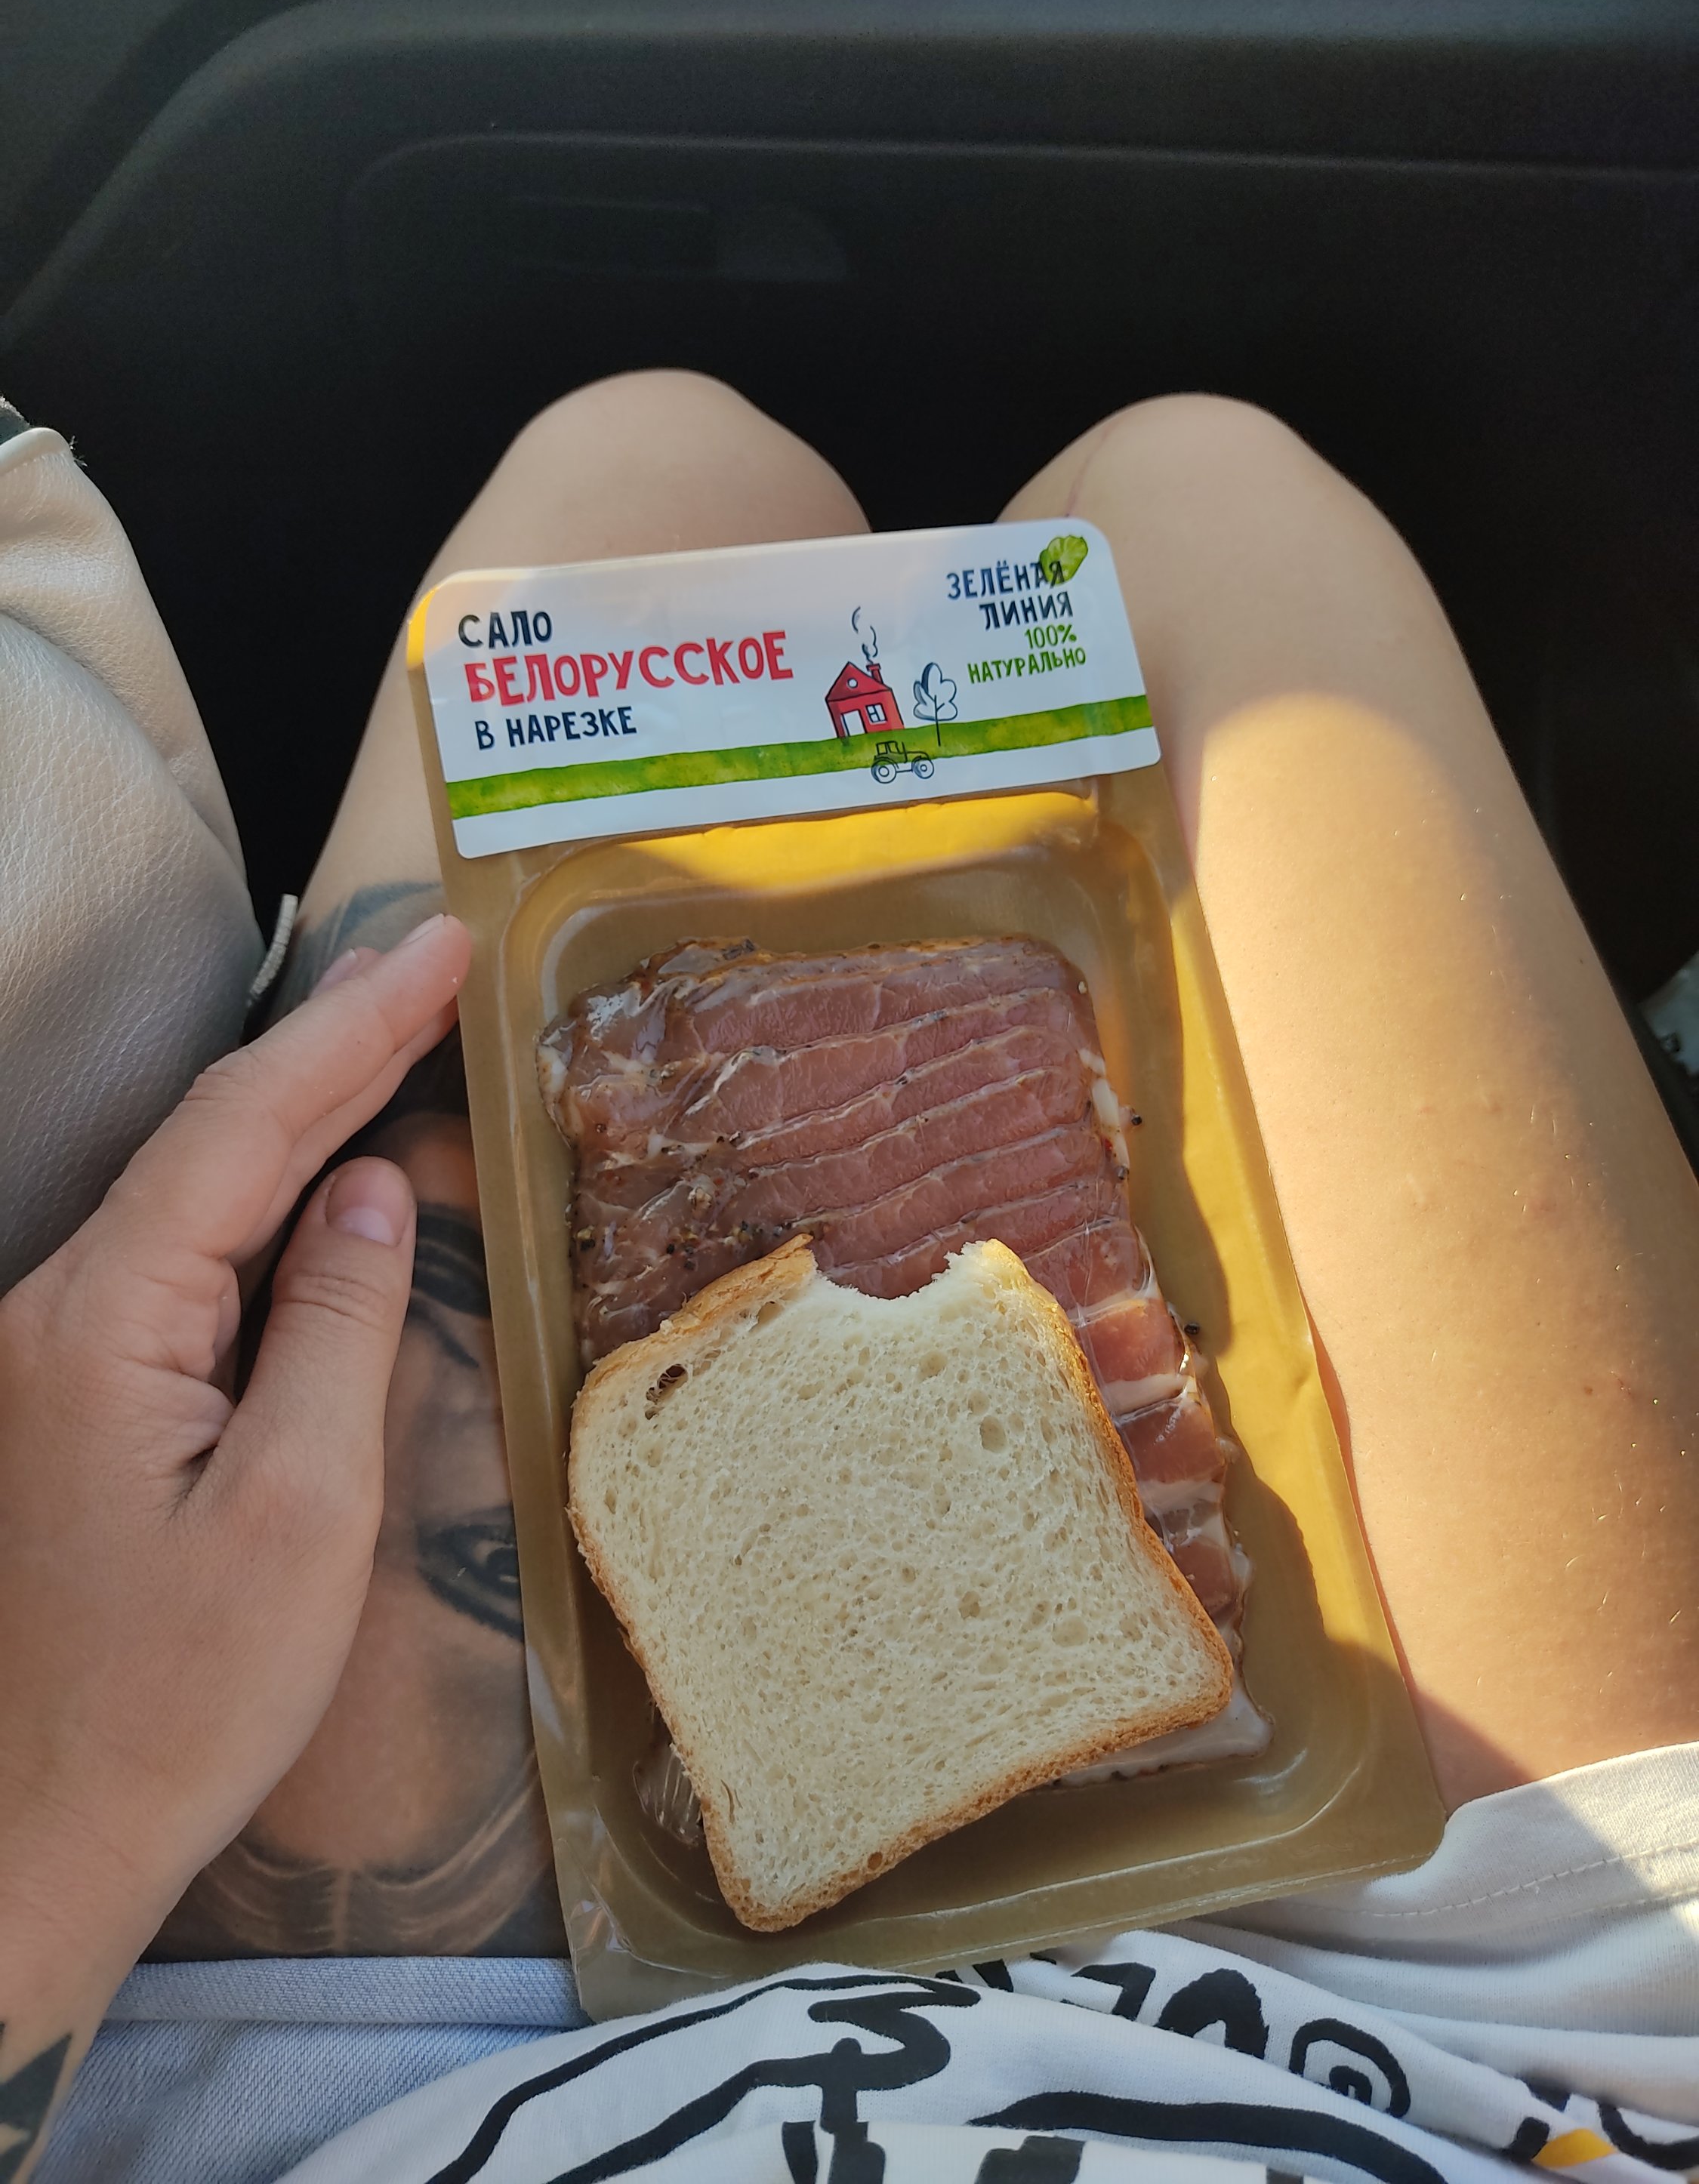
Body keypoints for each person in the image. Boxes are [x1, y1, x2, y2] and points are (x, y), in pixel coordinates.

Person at [1, 374, 1695, 2184]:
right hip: (1494, 2076)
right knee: (1197, 498)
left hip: (339, 2073)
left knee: (654, 464)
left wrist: (64, 1835)